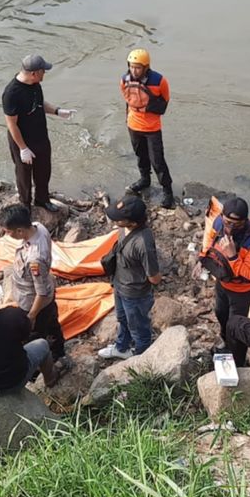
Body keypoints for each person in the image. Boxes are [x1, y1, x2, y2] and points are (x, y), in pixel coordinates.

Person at [2, 54, 76, 213]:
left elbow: (39, 103)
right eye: (43, 71)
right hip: (22, 140)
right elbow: (11, 124)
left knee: (44, 170)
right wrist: (23, 148)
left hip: (40, 136)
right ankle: (25, 205)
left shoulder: (35, 84)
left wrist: (58, 111)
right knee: (24, 175)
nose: (45, 74)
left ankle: (42, 199)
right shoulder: (11, 93)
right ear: (34, 73)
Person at [97, 196, 162, 360]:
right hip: (119, 285)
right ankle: (121, 347)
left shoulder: (143, 243)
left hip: (135, 294)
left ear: (132, 223)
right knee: (122, 319)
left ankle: (141, 356)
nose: (115, 221)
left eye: (119, 219)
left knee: (139, 328)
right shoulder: (124, 228)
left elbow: (154, 278)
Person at [0, 204, 66, 361]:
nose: (6, 234)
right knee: (52, 324)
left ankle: (42, 363)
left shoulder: (35, 259)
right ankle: (58, 350)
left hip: (33, 302)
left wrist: (31, 316)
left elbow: (41, 292)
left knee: (35, 335)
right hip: (42, 291)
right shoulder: (38, 227)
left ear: (20, 231)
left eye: (8, 232)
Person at [199, 197, 250, 349]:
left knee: (235, 326)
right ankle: (225, 341)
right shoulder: (218, 223)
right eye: (228, 222)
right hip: (223, 282)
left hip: (242, 292)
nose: (230, 228)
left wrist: (233, 256)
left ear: (244, 222)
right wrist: (202, 259)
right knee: (220, 313)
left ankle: (237, 356)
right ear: (222, 216)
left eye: (237, 225)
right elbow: (210, 242)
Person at [121, 49, 175, 208]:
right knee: (140, 156)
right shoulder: (124, 79)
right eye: (131, 66)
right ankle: (145, 180)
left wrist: (149, 107)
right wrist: (128, 119)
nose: (134, 70)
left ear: (146, 67)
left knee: (157, 161)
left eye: (138, 67)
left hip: (152, 128)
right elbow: (127, 99)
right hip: (133, 125)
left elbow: (164, 102)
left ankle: (167, 191)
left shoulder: (159, 81)